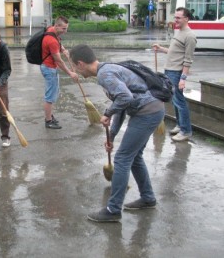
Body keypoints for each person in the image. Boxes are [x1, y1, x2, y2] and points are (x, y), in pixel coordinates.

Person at [69, 44, 165, 223]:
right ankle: (148, 198)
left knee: (122, 158)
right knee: (134, 157)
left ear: (80, 63)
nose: (75, 70)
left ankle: (113, 210)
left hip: (147, 113)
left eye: (74, 66)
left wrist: (107, 113)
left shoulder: (105, 75)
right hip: (151, 110)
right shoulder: (107, 69)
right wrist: (111, 135)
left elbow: (125, 98)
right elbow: (122, 103)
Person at [153, 7, 196, 142]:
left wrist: (183, 78)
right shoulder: (179, 32)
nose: (175, 20)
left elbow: (188, 60)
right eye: (175, 17)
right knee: (175, 101)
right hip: (169, 70)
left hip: (177, 73)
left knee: (179, 101)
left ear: (186, 19)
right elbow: (174, 52)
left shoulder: (190, 36)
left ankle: (186, 131)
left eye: (178, 18)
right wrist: (161, 49)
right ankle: (180, 125)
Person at [40, 16, 78, 129]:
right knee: (50, 97)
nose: (65, 31)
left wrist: (63, 50)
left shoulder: (51, 30)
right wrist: (70, 73)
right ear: (56, 26)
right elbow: (59, 61)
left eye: (66, 28)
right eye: (63, 28)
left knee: (52, 93)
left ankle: (50, 116)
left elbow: (58, 41)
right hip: (49, 68)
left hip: (48, 66)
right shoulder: (51, 41)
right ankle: (48, 121)